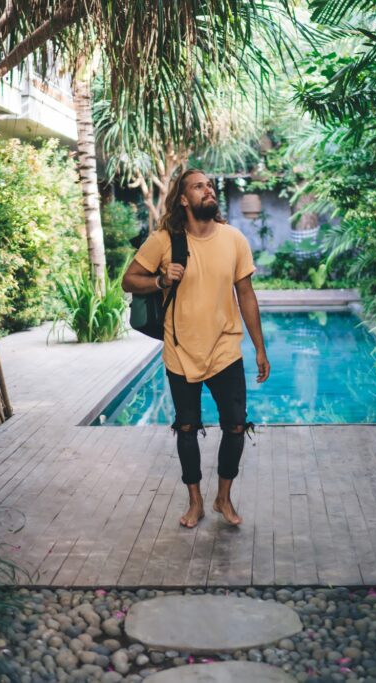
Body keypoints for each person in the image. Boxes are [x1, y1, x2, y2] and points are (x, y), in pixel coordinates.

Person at [121, 169, 269, 528]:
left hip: (225, 350)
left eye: (210, 186)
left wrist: (260, 349)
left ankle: (223, 497)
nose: (209, 190)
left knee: (235, 427)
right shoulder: (163, 240)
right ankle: (196, 501)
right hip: (181, 349)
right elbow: (129, 279)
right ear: (184, 199)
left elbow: (246, 295)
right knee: (186, 428)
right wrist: (159, 279)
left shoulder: (234, 239)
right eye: (199, 186)